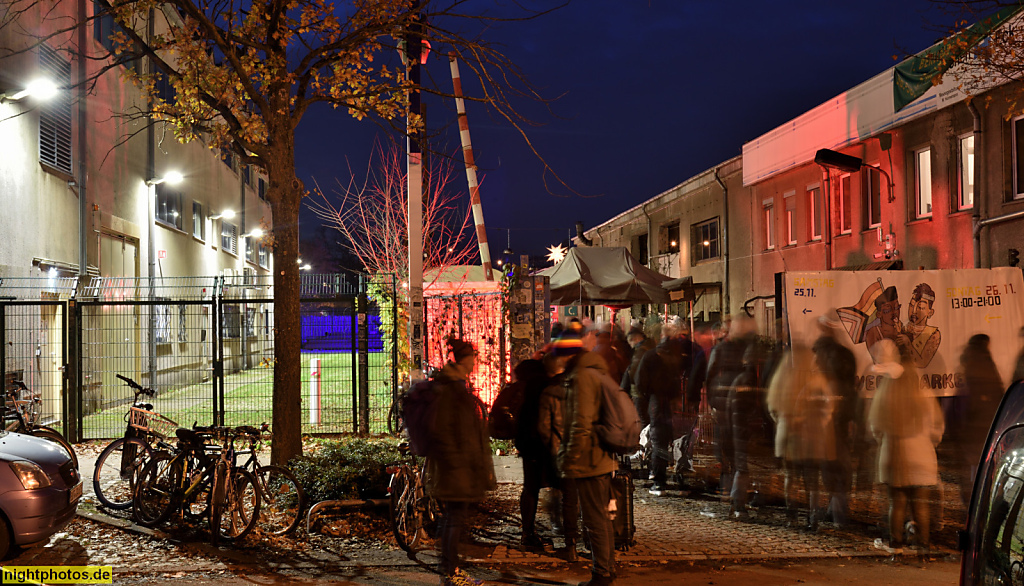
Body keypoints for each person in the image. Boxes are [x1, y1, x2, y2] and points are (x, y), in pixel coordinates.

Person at [425, 338, 496, 586]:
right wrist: (458, 463)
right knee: (453, 520)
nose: (475, 363)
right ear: (465, 360)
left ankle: (451, 571)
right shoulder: (451, 389)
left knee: (453, 519)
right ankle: (451, 573)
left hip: (458, 468)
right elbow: (445, 431)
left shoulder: (455, 386)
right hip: (455, 469)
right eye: (473, 359)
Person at [868, 339, 944, 554]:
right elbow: (937, 428)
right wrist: (929, 443)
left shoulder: (885, 394)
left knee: (897, 504)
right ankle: (924, 547)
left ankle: (896, 546)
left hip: (895, 454)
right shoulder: (924, 394)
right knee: (921, 505)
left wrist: (885, 441)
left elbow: (876, 429)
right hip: (922, 456)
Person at [559, 324, 617, 585]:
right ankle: (607, 568)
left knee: (594, 519)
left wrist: (569, 458)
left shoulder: (581, 376)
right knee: (602, 517)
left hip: (590, 458)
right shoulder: (596, 371)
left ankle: (601, 574)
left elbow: (580, 423)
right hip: (601, 455)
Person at [766, 344, 835, 531]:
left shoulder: (782, 378)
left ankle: (792, 515)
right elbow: (828, 407)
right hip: (812, 435)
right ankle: (812, 517)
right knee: (811, 480)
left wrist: (784, 422)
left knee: (791, 477)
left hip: (789, 434)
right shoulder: (817, 379)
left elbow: (772, 408)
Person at [537, 337, 581, 561]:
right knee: (586, 498)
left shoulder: (550, 393)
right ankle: (594, 543)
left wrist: (553, 448)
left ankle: (571, 544)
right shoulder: (579, 390)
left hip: (562, 453)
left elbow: (544, 428)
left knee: (568, 499)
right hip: (584, 450)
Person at [950, 334, 1004, 508]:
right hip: (990, 434)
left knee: (972, 478)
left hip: (971, 438)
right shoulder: (991, 372)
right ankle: (987, 509)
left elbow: (960, 409)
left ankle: (973, 511)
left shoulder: (970, 372)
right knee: (988, 475)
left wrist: (957, 432)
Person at [813, 315, 857, 527]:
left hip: (826, 417)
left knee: (830, 462)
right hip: (840, 416)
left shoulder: (818, 354)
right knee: (840, 463)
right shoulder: (844, 354)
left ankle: (834, 507)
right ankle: (838, 509)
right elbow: (851, 388)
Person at [635, 321, 684, 495]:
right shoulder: (675, 356)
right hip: (670, 402)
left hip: (656, 401)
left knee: (657, 440)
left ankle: (658, 480)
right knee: (667, 438)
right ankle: (666, 474)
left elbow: (640, 381)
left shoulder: (650, 355)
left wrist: (647, 396)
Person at [511, 358, 552, 552]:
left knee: (530, 488)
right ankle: (530, 533)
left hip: (527, 443)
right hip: (541, 443)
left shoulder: (521, 387)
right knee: (555, 486)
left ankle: (527, 531)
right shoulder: (542, 385)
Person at [903, 283, 942, 368]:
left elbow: (922, 363)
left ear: (930, 312)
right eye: (911, 305)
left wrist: (907, 343)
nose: (914, 311)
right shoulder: (902, 329)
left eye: (920, 307)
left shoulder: (933, 334)